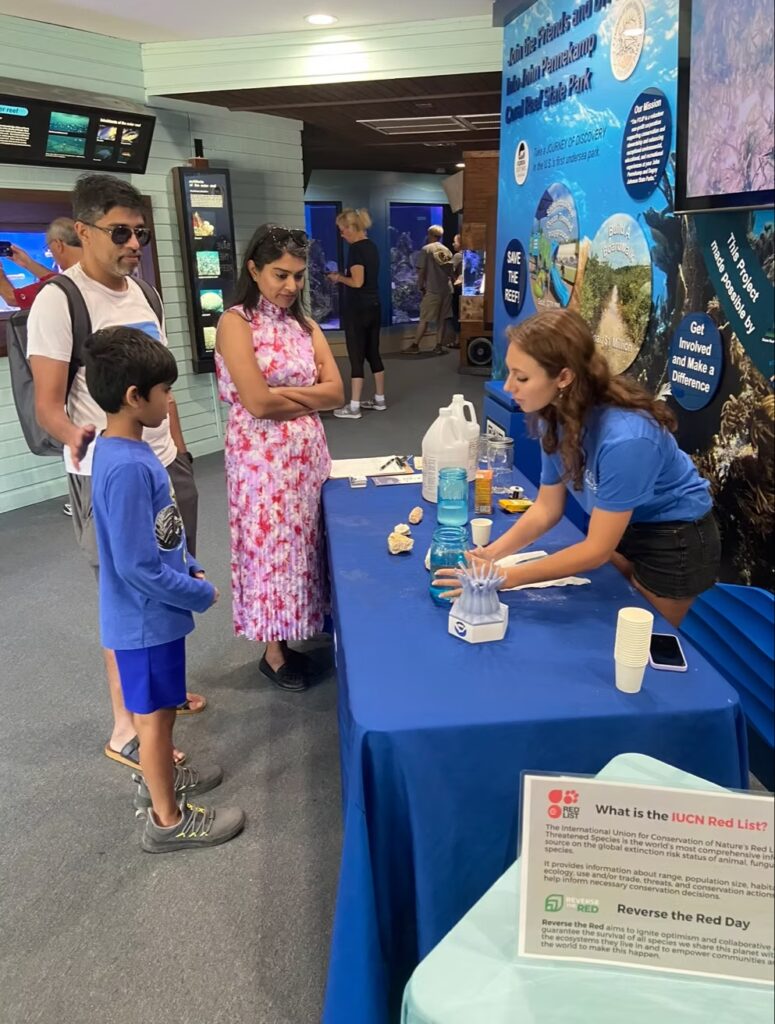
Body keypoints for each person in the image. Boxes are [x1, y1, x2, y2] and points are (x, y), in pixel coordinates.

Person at [27, 173, 205, 774]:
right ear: (84, 230)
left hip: (162, 464)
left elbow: (161, 380)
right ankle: (127, 726)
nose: (135, 244)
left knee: (169, 573)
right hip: (106, 471)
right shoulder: (61, 300)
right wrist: (76, 437)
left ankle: (161, 694)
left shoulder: (145, 294)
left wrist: (176, 446)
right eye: (121, 231)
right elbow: (48, 401)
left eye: (142, 233)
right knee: (126, 593)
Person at [434, 310, 720, 627]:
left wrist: (506, 578)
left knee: (644, 637)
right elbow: (546, 508)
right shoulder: (553, 413)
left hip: (674, 539)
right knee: (612, 614)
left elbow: (597, 549)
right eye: (510, 373)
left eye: (522, 377)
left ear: (564, 377)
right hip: (623, 525)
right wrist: (491, 554)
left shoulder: (628, 439)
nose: (508, 387)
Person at [84, 326, 244, 852]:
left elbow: (161, 532)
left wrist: (190, 563)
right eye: (165, 391)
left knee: (163, 711)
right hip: (145, 619)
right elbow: (135, 566)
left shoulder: (123, 450)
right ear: (135, 398)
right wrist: (197, 593)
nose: (170, 400)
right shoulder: (127, 467)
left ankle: (160, 785)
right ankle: (168, 821)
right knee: (152, 722)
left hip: (151, 614)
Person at [215, 224, 344, 691]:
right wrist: (306, 395)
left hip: (307, 455)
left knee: (308, 542)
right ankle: (273, 652)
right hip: (259, 459)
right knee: (270, 550)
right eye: (279, 274)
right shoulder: (235, 322)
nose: (290, 286)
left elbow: (337, 392)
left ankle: (302, 628)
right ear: (253, 268)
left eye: (297, 275)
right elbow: (256, 404)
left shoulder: (305, 325)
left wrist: (282, 394)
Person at [327, 208, 385, 420]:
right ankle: (380, 399)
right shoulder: (372, 247)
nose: (341, 235)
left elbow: (357, 282)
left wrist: (338, 278)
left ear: (352, 228)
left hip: (358, 309)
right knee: (373, 352)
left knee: (356, 355)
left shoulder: (356, 250)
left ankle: (354, 407)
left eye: (342, 230)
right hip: (374, 305)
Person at [0, 217, 81, 309]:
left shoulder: (63, 286)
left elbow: (13, 298)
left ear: (58, 245)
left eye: (49, 248)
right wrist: (28, 263)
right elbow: (58, 279)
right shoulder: (89, 272)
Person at [403, 225, 454, 355]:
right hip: (447, 290)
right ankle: (438, 346)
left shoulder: (426, 250)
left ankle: (415, 345)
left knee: (424, 318)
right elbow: (451, 271)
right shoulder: (447, 250)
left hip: (432, 289)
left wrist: (421, 287)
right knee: (442, 319)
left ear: (429, 235)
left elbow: (421, 271)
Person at [448, 232, 463, 350]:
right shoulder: (468, 254)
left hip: (458, 288)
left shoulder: (458, 256)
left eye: (455, 241)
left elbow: (449, 269)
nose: (453, 244)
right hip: (464, 288)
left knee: (456, 313)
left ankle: (458, 340)